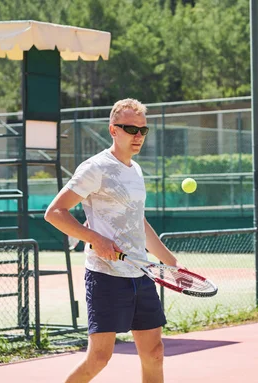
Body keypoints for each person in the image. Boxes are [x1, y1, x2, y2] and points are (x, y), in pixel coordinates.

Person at [44, 98, 179, 383]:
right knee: (99, 359)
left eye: (143, 130)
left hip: (140, 274)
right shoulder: (95, 168)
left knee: (155, 352)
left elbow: (138, 221)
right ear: (113, 130)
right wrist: (95, 238)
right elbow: (55, 213)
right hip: (105, 276)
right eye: (131, 129)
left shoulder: (136, 170)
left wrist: (169, 260)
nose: (138, 136)